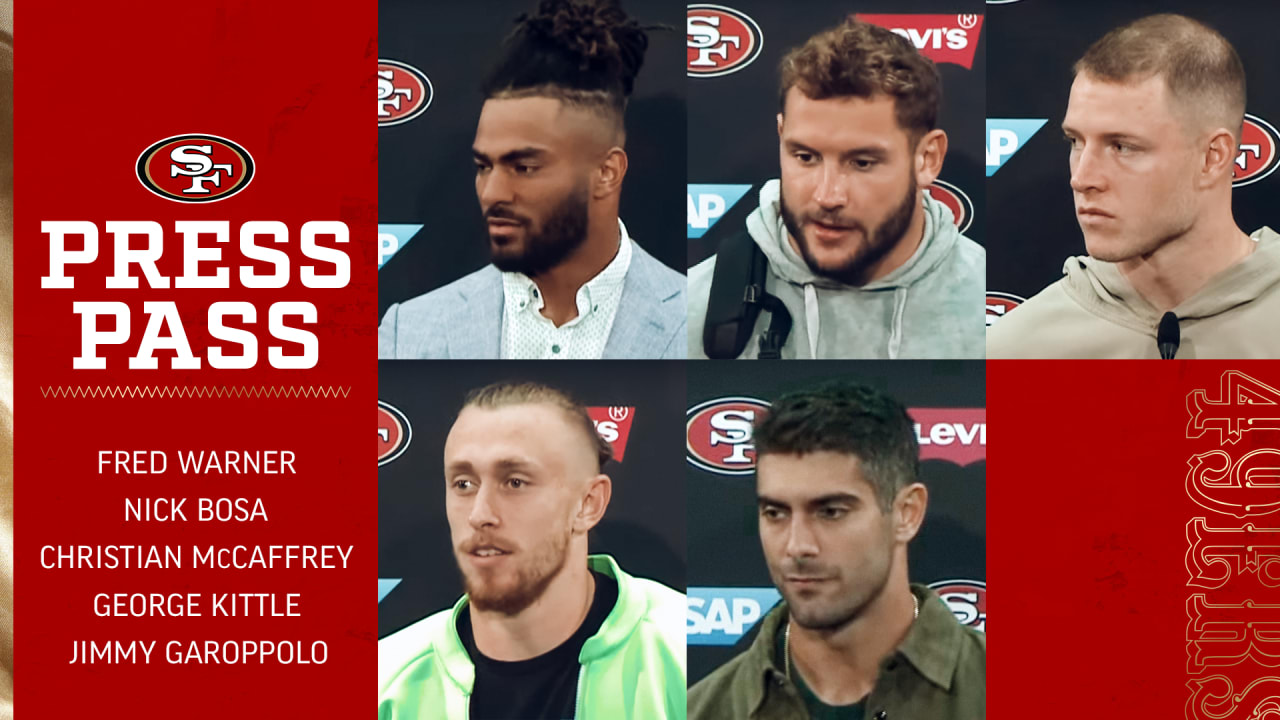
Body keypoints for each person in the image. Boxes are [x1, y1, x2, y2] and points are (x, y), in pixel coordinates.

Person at [378, 0, 686, 360]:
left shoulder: (690, 318)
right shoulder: (408, 332)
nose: (492, 194)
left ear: (607, 173)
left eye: (523, 167)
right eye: (483, 166)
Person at [378, 382, 686, 719]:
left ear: (587, 504)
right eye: (463, 484)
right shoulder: (383, 680)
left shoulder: (680, 657)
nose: (480, 514)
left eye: (515, 482)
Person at [686, 19, 984, 360]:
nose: (828, 196)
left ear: (927, 159)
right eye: (806, 157)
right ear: (781, 136)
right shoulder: (695, 306)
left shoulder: (984, 309)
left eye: (862, 163)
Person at [988, 14, 1280, 359]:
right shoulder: (1014, 352)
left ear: (1212, 157)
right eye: (1075, 141)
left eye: (1122, 146)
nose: (1082, 178)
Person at [687, 382, 984, 719]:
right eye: (775, 513)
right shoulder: (702, 709)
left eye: (830, 512)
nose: (797, 546)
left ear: (907, 513)